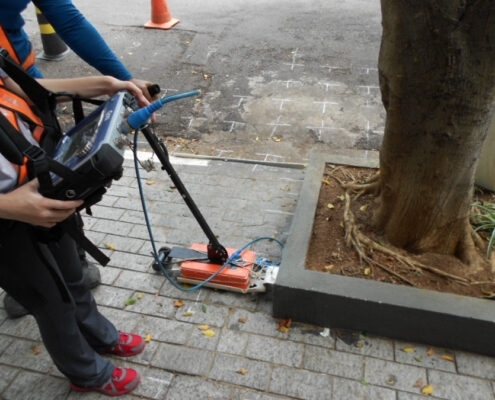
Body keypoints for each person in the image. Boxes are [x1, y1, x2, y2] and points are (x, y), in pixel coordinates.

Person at [0, 0, 160, 317]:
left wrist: (120, 84)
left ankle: (68, 258)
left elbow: (67, 19)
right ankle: (26, 278)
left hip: (17, 83)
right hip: (14, 90)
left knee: (52, 173)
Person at [0, 66, 149, 396]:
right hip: (7, 218)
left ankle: (100, 336)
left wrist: (105, 85)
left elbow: (25, 88)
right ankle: (87, 373)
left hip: (42, 186)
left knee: (73, 275)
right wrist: (8, 207)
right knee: (51, 301)